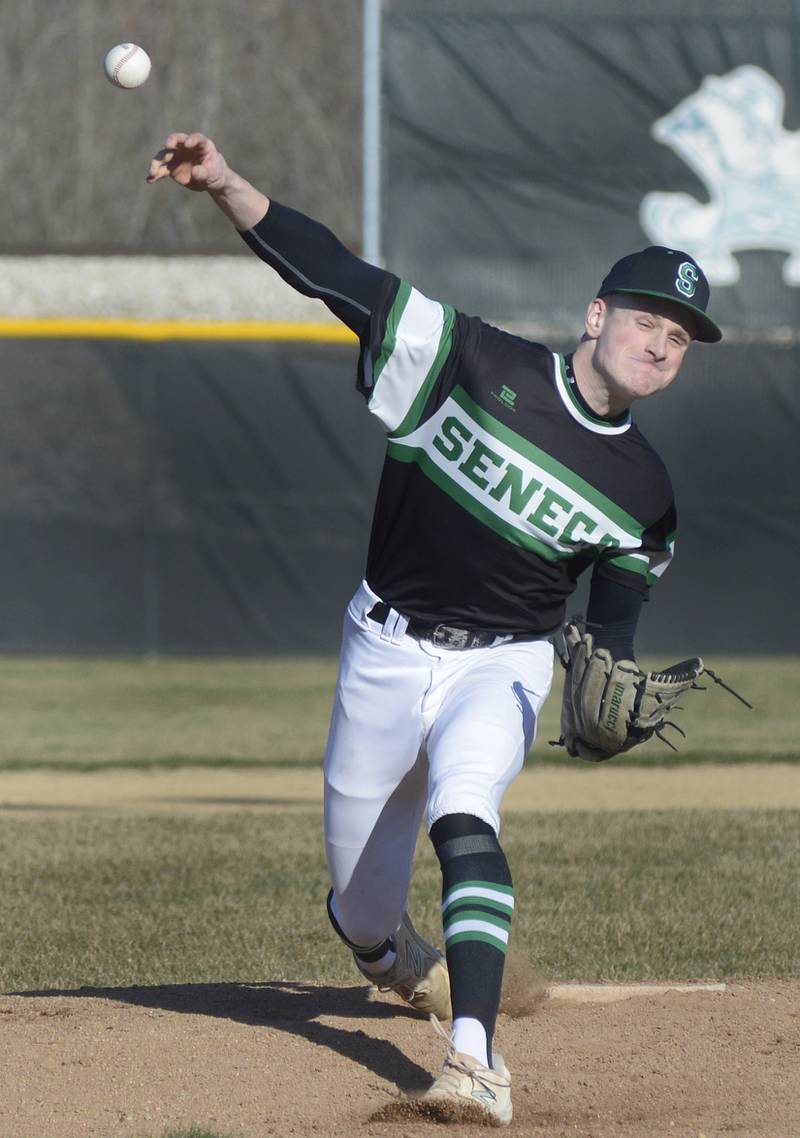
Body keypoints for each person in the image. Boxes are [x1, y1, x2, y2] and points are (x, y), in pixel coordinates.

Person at [147, 132, 722, 1126]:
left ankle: (473, 1058)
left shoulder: (643, 495)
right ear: (596, 315)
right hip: (381, 645)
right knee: (360, 919)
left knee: (466, 816)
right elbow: (334, 275)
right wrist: (229, 185)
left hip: (499, 664)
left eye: (678, 339)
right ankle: (401, 960)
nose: (660, 345)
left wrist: (608, 680)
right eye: (646, 320)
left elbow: (613, 622)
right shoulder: (469, 358)